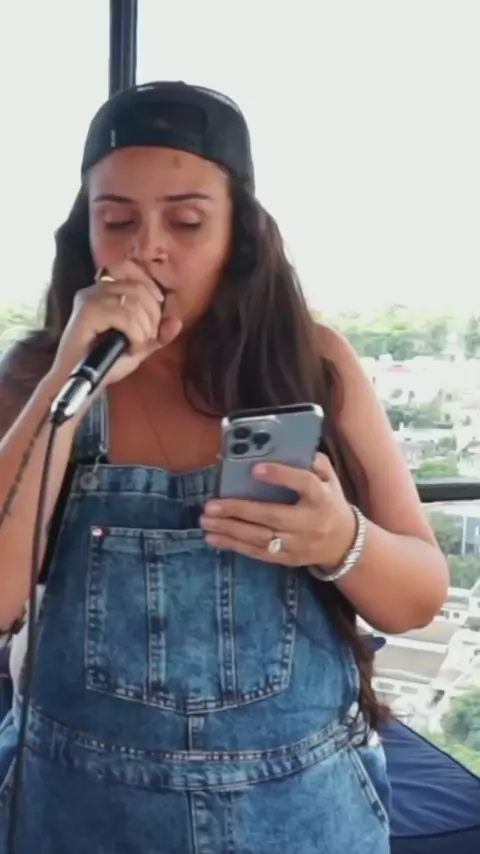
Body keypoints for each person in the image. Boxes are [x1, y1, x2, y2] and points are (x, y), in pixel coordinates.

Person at [0, 81, 448, 853]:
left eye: (186, 221)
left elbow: (418, 597)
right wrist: (66, 385)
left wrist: (339, 540)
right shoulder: (40, 378)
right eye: (117, 221)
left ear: (238, 231)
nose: (148, 248)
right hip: (79, 806)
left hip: (299, 809)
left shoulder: (311, 363)